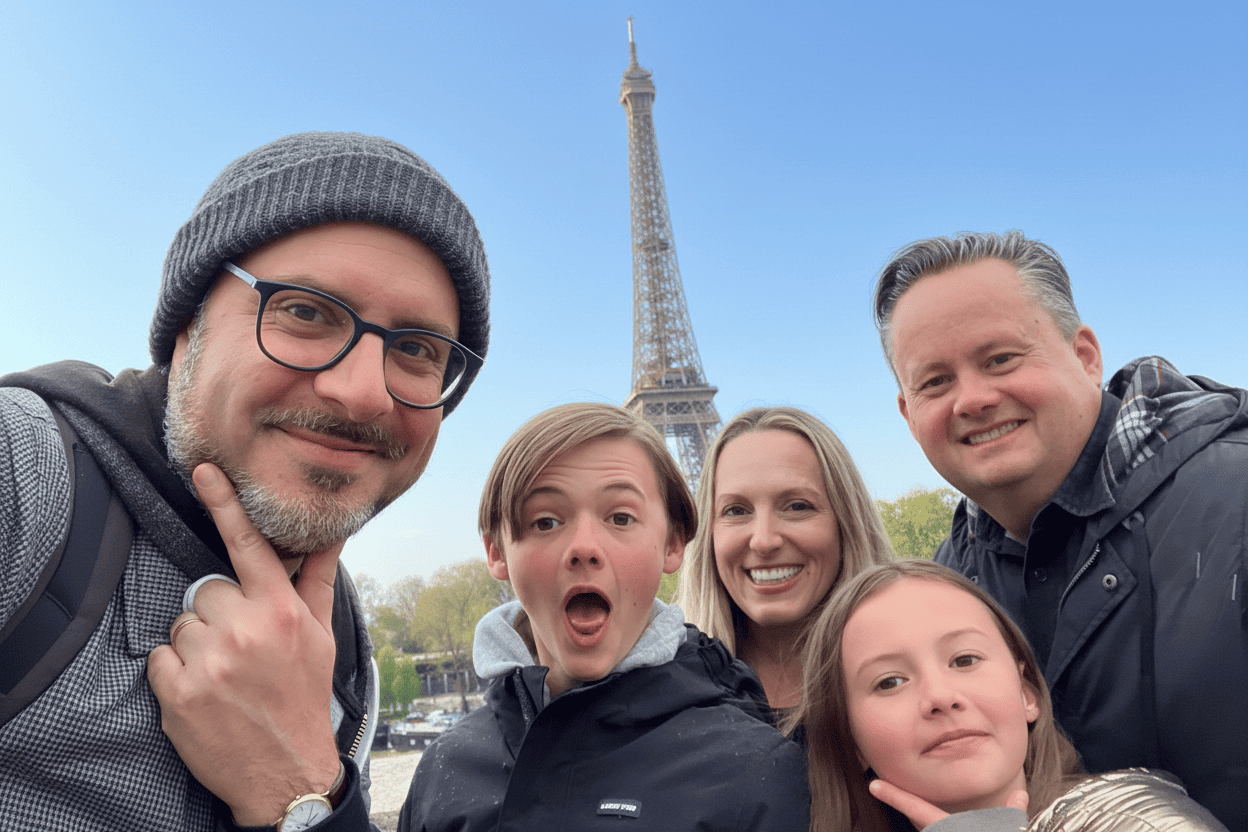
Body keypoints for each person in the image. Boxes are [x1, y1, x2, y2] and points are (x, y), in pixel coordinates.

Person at [0, 131, 490, 832]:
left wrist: (301, 794)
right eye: (306, 311)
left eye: (416, 349)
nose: (362, 393)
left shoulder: (344, 645)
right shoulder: (23, 474)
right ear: (185, 332)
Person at [871, 230, 1248, 829]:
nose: (971, 398)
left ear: (1085, 356)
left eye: (1000, 359)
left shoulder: (1235, 501)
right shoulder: (948, 584)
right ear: (907, 414)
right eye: (935, 382)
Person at [399, 402, 809, 832]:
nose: (584, 546)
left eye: (620, 517)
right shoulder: (443, 768)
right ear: (496, 552)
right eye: (545, 521)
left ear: (673, 544)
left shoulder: (756, 772)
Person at [793, 558, 1228, 832]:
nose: (940, 696)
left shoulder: (1138, 821)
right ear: (850, 741)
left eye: (964, 659)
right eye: (889, 681)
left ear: (1027, 693)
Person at [676, 406, 894, 712]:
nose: (764, 540)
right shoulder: (663, 692)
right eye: (736, 510)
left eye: (797, 506)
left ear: (846, 524)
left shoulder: (918, 679)